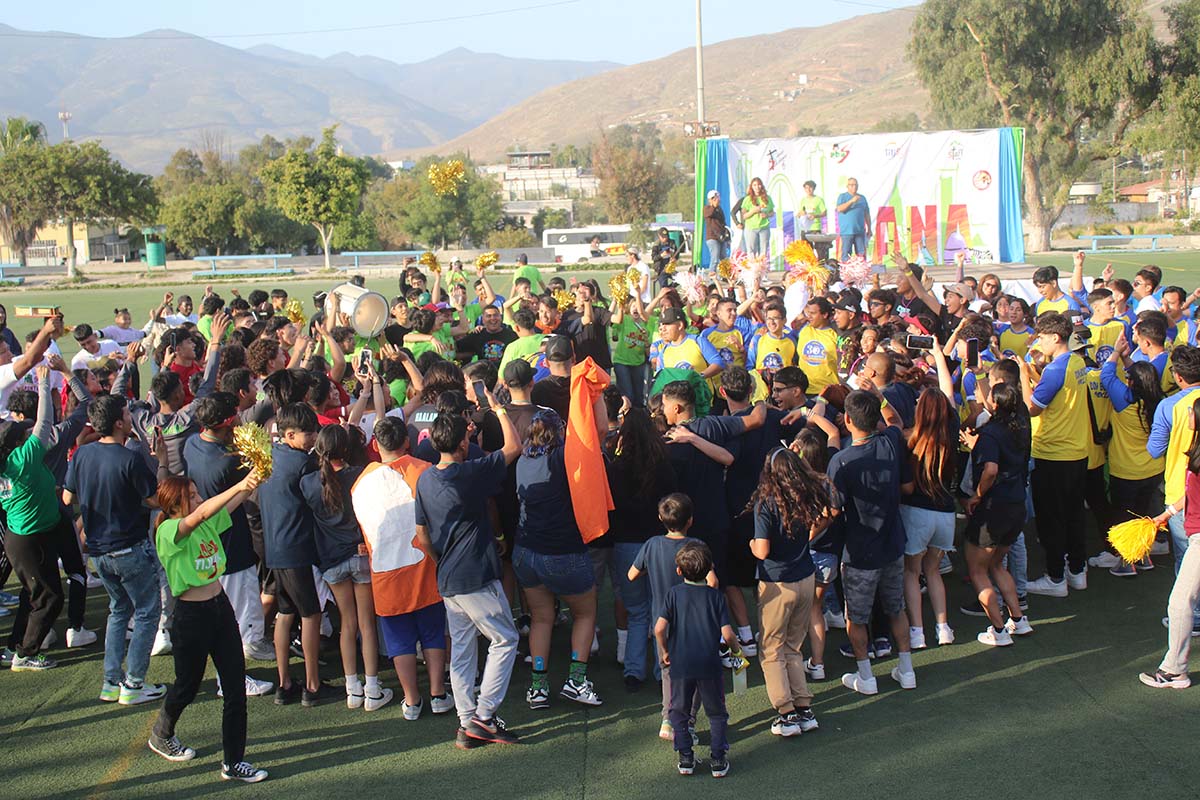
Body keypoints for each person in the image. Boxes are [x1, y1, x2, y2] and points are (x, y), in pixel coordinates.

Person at [414, 392, 523, 748]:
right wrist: (499, 407)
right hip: (475, 576)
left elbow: (422, 535)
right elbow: (514, 446)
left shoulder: (425, 479)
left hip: (448, 578)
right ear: (463, 443)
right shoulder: (470, 473)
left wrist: (440, 562)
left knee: (462, 650)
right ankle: (484, 717)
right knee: (505, 639)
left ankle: (467, 722)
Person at [147, 467, 268, 783]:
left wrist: (255, 478)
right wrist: (240, 484)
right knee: (187, 686)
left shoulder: (205, 520)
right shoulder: (168, 531)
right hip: (191, 618)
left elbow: (230, 504)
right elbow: (201, 513)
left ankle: (234, 761)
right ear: (175, 506)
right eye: (192, 495)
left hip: (220, 609)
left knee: (235, 688)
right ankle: (162, 732)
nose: (199, 498)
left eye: (198, 493)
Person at [63, 395, 164, 705]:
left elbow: (67, 497)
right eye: (127, 414)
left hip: (98, 553)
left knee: (119, 610)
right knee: (146, 612)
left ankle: (111, 682)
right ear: (119, 422)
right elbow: (154, 499)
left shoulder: (83, 454)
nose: (131, 417)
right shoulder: (130, 459)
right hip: (130, 548)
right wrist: (159, 461)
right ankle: (133, 684)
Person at [352, 416, 453, 720]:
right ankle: (438, 693)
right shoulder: (425, 471)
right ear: (407, 441)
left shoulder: (361, 482)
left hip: (386, 571)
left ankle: (412, 700)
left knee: (400, 640)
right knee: (433, 633)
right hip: (425, 566)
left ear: (375, 444)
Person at [827, 390, 917, 695]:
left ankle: (866, 676)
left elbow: (833, 510)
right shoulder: (890, 442)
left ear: (847, 420)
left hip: (860, 552)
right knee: (896, 609)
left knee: (856, 617)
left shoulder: (841, 461)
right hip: (892, 545)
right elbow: (896, 421)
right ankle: (906, 670)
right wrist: (880, 396)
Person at [514, 407, 604, 709]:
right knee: (585, 614)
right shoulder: (563, 458)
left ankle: (538, 687)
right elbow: (594, 438)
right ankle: (576, 681)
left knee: (541, 618)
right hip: (563, 551)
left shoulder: (523, 460)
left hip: (526, 551)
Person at [302, 425, 393, 712]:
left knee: (347, 623)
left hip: (332, 561)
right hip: (359, 555)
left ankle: (352, 688)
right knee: (367, 624)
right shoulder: (359, 476)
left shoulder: (308, 483)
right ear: (346, 449)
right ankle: (372, 688)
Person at [181, 394, 276, 666]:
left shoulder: (192, 444)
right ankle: (252, 643)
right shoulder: (227, 461)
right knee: (244, 599)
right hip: (231, 539)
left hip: (208, 538)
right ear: (226, 423)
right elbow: (256, 479)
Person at [748, 447, 828, 737]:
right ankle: (803, 707)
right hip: (805, 578)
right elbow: (825, 517)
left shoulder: (766, 502)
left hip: (777, 584)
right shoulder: (806, 495)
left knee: (772, 649)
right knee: (793, 646)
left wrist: (751, 545)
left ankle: (786, 713)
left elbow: (762, 550)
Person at [0, 366, 70, 672]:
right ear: (17, 443)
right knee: (49, 598)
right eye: (24, 433)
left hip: (25, 537)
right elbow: (44, 422)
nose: (29, 433)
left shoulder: (8, 462)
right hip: (29, 540)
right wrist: (43, 383)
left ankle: (17, 645)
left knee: (36, 594)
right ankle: (25, 653)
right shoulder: (24, 458)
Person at [257, 403, 325, 706]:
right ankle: (312, 685)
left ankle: (284, 683)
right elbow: (320, 501)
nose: (313, 437)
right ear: (289, 435)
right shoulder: (303, 464)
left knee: (285, 614)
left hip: (273, 549)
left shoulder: (269, 456)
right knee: (310, 614)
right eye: (307, 433)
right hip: (296, 549)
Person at [655, 541, 741, 779]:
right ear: (710, 568)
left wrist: (665, 651)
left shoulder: (673, 594)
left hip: (681, 664)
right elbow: (728, 634)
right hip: (709, 664)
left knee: (678, 712)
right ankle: (718, 759)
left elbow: (659, 628)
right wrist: (736, 652)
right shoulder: (716, 597)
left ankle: (686, 757)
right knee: (717, 713)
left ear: (679, 571)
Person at [1021, 313, 1092, 597]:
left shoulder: (1054, 370)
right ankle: (1077, 571)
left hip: (1053, 453)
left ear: (1055, 337)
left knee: (1051, 519)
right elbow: (1058, 393)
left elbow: (1031, 408)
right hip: (1077, 451)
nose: (1038, 342)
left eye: (1041, 337)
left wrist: (1024, 376)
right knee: (1074, 515)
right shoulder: (1077, 362)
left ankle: (1055, 578)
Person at [960, 381, 1034, 646]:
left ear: (994, 403)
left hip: (994, 509)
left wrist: (977, 495)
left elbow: (990, 470)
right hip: (1016, 505)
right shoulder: (1021, 426)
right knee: (997, 565)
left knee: (978, 570)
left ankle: (999, 630)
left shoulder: (991, 432)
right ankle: (1019, 619)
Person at [1140, 401, 1200, 689]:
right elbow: (1190, 492)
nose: (1187, 413)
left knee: (1179, 602)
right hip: (1194, 533)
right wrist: (1167, 514)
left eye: (1192, 410)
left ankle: (1175, 670)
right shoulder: (1195, 450)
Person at [1092, 348, 1165, 576]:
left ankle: (1126, 562)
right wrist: (1126, 358)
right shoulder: (1158, 401)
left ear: (1132, 382)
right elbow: (1142, 375)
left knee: (1124, 517)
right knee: (1142, 515)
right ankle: (1142, 556)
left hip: (1127, 470)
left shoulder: (1125, 400)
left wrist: (1116, 351)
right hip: (1153, 469)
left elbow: (1106, 375)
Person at [900, 387, 959, 650]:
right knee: (933, 571)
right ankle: (943, 627)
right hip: (946, 515)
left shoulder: (910, 440)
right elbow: (949, 395)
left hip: (916, 514)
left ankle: (917, 632)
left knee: (912, 573)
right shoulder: (952, 435)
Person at [1148, 345, 1200, 635]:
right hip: (1187, 493)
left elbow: (1155, 449)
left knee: (1186, 558)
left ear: (1178, 376)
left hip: (1183, 493)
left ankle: (1194, 617)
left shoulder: (1169, 406)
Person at [835, 177, 871, 260]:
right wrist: (851, 201)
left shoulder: (862, 198)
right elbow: (839, 209)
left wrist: (869, 228)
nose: (854, 187)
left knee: (861, 254)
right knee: (846, 255)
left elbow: (866, 213)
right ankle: (846, 268)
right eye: (851, 185)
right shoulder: (843, 196)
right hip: (847, 231)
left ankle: (861, 268)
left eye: (855, 185)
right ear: (847, 186)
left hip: (860, 231)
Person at [740, 177, 775, 259]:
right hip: (751, 228)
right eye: (754, 185)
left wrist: (767, 215)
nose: (757, 187)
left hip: (764, 228)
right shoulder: (747, 199)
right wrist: (753, 211)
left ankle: (762, 266)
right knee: (751, 252)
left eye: (759, 185)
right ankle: (753, 266)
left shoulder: (767, 198)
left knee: (763, 252)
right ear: (751, 187)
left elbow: (772, 212)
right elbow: (744, 216)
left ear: (761, 186)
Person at [702, 189, 729, 268]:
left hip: (721, 236)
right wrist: (713, 205)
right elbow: (709, 214)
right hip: (712, 237)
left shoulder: (719, 209)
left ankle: (725, 273)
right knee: (715, 257)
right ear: (710, 200)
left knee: (724, 257)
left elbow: (723, 222)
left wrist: (726, 235)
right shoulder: (707, 208)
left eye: (717, 198)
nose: (717, 200)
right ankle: (712, 274)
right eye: (714, 198)